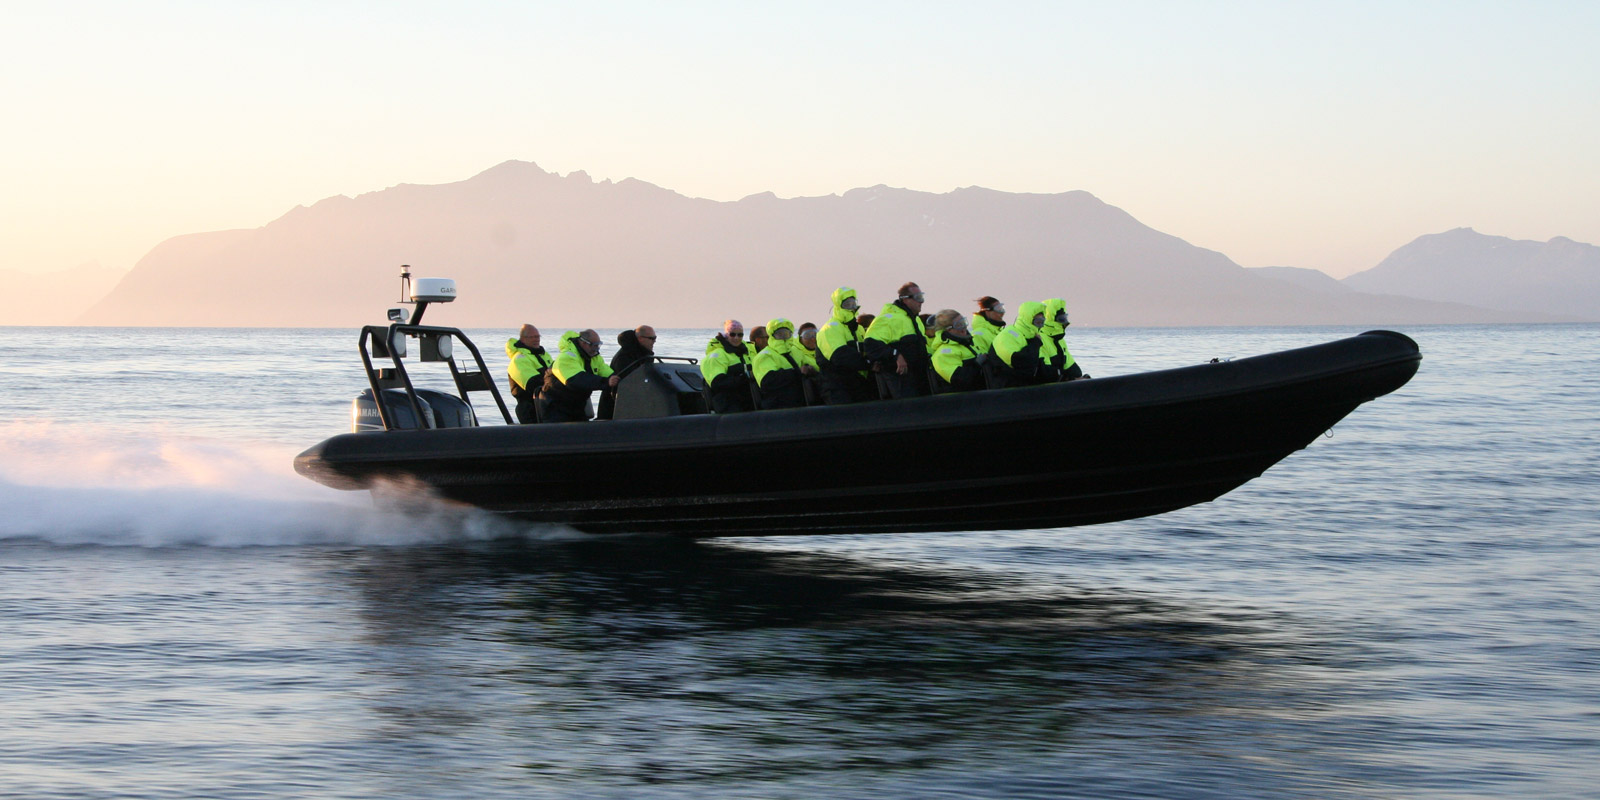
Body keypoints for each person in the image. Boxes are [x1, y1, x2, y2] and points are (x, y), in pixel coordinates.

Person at [864, 282, 931, 398]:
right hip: (900, 380)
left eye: (922, 297)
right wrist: (896, 355)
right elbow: (871, 344)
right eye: (918, 298)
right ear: (905, 299)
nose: (922, 301)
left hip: (919, 378)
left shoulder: (915, 320)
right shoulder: (888, 319)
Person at [541, 329, 620, 422]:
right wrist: (606, 382)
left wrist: (620, 380)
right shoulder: (566, 357)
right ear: (583, 343)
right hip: (557, 408)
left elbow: (607, 372)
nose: (597, 348)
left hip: (576, 406)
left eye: (599, 345)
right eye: (594, 345)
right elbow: (576, 380)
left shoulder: (594, 357)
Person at [816, 287, 875, 405]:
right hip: (838, 388)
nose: (851, 306)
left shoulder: (857, 329)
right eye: (847, 303)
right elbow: (840, 356)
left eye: (853, 303)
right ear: (838, 306)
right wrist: (869, 363)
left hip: (859, 384)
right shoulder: (830, 329)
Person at [988, 301, 1060, 388]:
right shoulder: (1007, 335)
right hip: (1006, 389)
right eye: (1037, 322)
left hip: (1027, 388)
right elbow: (1019, 361)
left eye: (1042, 322)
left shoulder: (1033, 337)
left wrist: (1058, 374)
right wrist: (1035, 344)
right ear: (1027, 320)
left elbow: (1039, 366)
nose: (1040, 326)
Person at [752, 318, 815, 409]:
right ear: (772, 335)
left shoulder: (796, 351)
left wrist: (810, 369)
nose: (784, 336)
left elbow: (809, 365)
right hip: (777, 407)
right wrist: (798, 372)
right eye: (780, 334)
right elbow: (768, 380)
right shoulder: (764, 356)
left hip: (800, 403)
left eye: (787, 333)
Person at [701, 319, 755, 413]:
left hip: (748, 400)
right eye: (732, 334)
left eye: (740, 335)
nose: (736, 338)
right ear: (726, 335)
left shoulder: (747, 352)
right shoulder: (717, 356)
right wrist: (744, 377)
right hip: (727, 403)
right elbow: (717, 383)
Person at [505, 324, 554, 424]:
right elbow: (532, 384)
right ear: (523, 339)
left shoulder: (543, 355)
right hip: (531, 409)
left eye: (538, 336)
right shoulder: (519, 360)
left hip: (547, 406)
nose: (537, 339)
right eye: (533, 337)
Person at [928, 309, 984, 392]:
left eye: (964, 322)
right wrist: (977, 364)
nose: (964, 328)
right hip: (962, 401)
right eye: (959, 325)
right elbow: (961, 379)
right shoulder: (943, 354)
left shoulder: (969, 345)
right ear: (948, 329)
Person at [1039, 299, 1089, 381]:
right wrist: (1068, 378)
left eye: (1065, 318)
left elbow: (1075, 371)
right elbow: (1045, 374)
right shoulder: (1040, 340)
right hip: (1045, 388)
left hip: (1059, 385)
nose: (1065, 322)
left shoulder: (1060, 341)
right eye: (1061, 319)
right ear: (1050, 321)